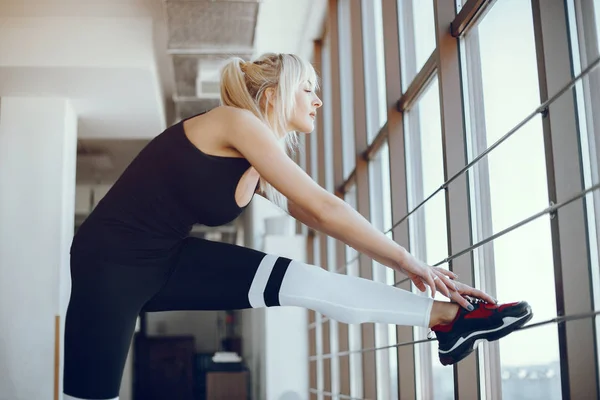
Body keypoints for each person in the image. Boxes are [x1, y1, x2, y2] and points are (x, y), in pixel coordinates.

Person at [63, 53, 532, 400]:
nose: (319, 100)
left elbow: (322, 217)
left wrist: (412, 268)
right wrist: (412, 264)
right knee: (92, 393)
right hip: (110, 262)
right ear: (274, 95)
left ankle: (450, 321)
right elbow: (326, 207)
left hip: (168, 256)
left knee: (309, 282)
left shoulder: (260, 164)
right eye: (309, 87)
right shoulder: (236, 122)